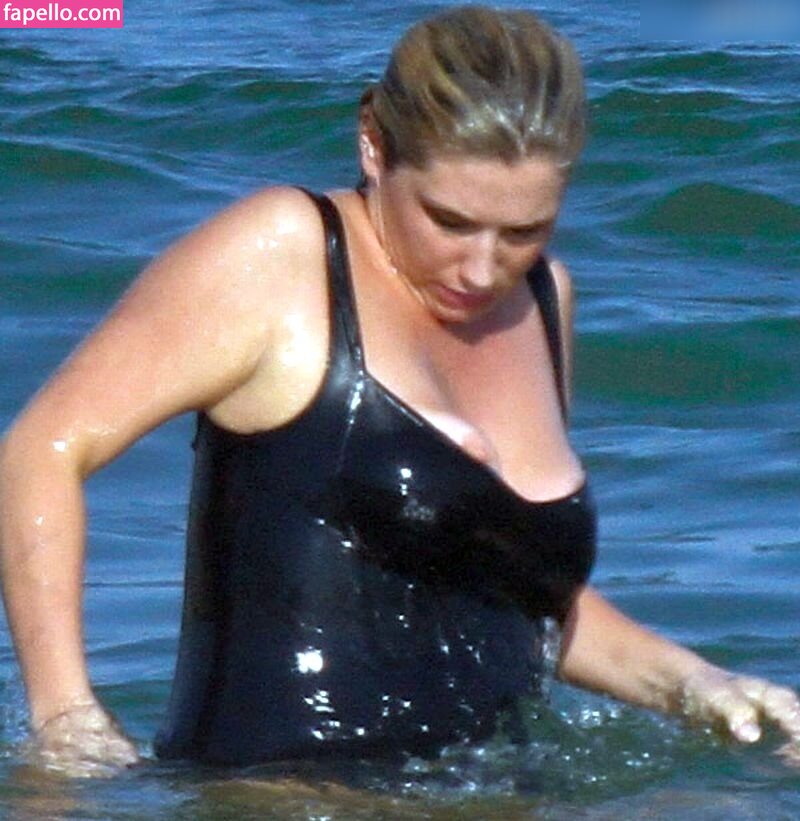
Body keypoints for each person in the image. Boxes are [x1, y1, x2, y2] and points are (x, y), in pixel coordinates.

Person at [1, 5, 798, 776]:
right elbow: (40, 451)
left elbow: (518, 601)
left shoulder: (544, 298)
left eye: (524, 231)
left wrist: (695, 683)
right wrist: (66, 715)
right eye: (449, 221)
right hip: (280, 796)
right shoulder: (286, 256)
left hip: (498, 794)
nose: (482, 268)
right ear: (374, 144)